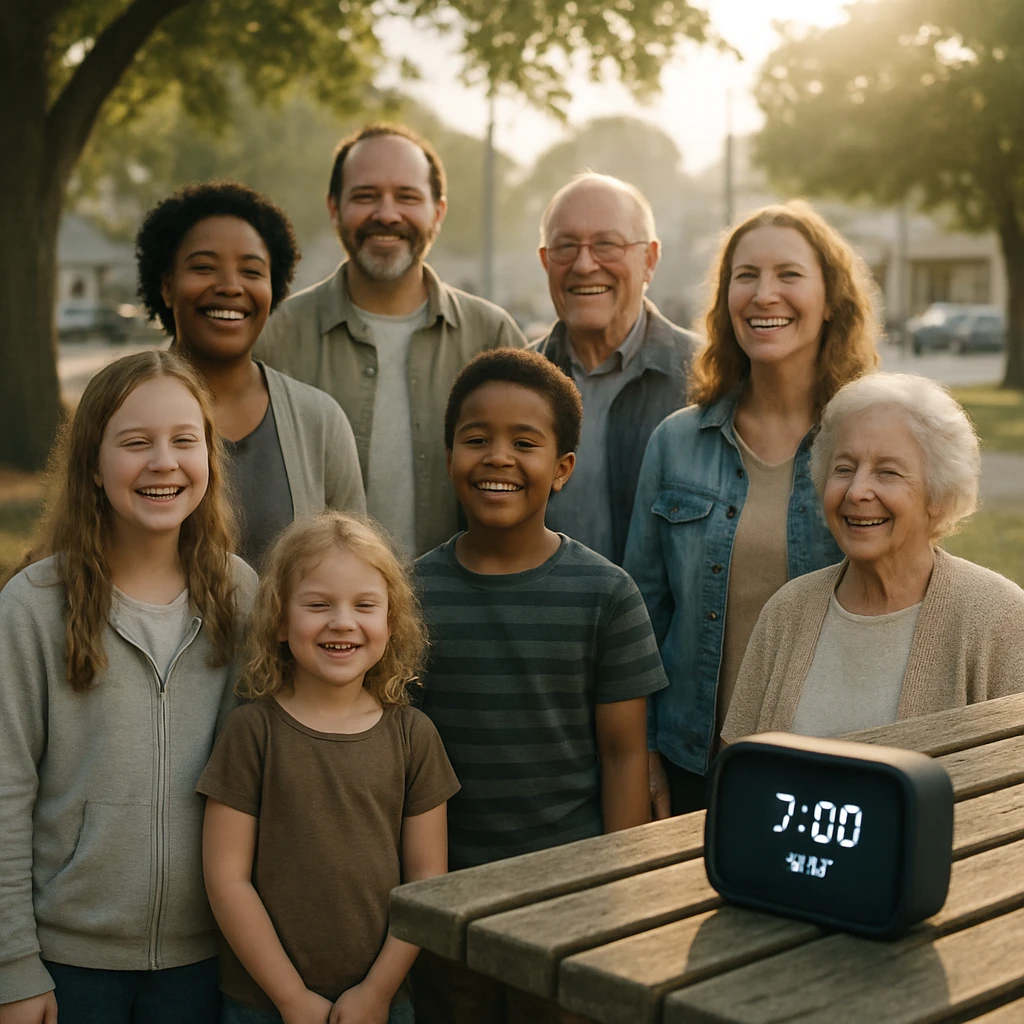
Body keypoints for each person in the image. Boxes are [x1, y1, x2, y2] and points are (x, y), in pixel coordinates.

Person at [0, 351, 257, 1024]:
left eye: (183, 440)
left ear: (208, 456)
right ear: (91, 465)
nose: (162, 462)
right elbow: (5, 790)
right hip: (66, 965)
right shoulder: (32, 606)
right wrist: (14, 967)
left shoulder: (240, 595)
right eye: (135, 442)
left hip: (205, 960)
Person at [413, 348, 667, 1024]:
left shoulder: (607, 595)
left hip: (569, 907)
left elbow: (623, 756)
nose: (498, 457)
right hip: (449, 901)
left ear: (561, 470)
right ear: (448, 456)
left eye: (524, 443)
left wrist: (618, 897)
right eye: (477, 439)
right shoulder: (410, 595)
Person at [623, 200, 880, 816]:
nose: (765, 294)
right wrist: (646, 754)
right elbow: (638, 624)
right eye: (747, 275)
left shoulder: (870, 441)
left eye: (789, 274)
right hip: (696, 766)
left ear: (830, 297)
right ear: (725, 298)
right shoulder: (676, 444)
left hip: (833, 764)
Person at [198, 511, 459, 1024]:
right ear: (278, 619)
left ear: (391, 621)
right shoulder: (252, 734)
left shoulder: (413, 737)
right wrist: (290, 998)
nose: (343, 622)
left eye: (365, 605)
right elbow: (226, 879)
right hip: (263, 1005)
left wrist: (378, 993)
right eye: (318, 604)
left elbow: (428, 881)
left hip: (382, 1003)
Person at [256, 123, 526, 557]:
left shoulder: (491, 336)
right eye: (365, 196)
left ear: (437, 212)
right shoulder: (275, 338)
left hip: (462, 616)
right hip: (321, 618)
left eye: (407, 197)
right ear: (333, 208)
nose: (387, 214)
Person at [722, 373, 1024, 742]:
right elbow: (739, 769)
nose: (857, 490)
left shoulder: (1001, 618)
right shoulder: (786, 612)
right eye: (844, 469)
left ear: (939, 495)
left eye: (888, 472)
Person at [136, 180, 365, 571]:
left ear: (273, 289)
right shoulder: (122, 408)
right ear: (167, 287)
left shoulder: (319, 421)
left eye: (251, 271)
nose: (230, 286)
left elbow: (356, 570)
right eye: (204, 267)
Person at [533, 172, 701, 564]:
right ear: (545, 261)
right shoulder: (512, 388)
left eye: (607, 244)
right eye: (566, 246)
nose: (585, 264)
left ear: (650, 259)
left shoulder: (709, 380)